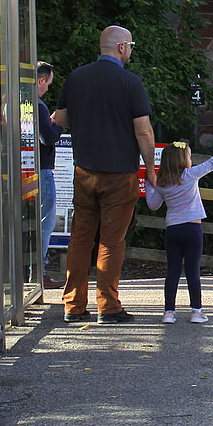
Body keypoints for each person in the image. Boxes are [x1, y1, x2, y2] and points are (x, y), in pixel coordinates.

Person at [51, 26, 155, 325]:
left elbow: (61, 119)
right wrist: (149, 168)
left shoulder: (76, 78)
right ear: (122, 47)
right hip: (120, 173)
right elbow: (143, 130)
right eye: (131, 45)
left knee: (81, 238)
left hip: (84, 171)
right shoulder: (130, 82)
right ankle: (108, 307)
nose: (131, 50)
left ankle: (73, 305)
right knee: (111, 242)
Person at [145, 135, 213, 323]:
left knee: (172, 271)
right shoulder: (190, 175)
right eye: (189, 156)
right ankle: (196, 312)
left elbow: (153, 205)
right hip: (192, 230)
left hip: (173, 230)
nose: (191, 160)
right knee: (192, 271)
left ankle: (168, 313)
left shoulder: (161, 182)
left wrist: (148, 183)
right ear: (184, 160)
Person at [35, 61, 64, 289]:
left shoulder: (15, 103)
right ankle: (40, 270)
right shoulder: (39, 106)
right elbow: (49, 138)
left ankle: (32, 268)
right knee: (46, 221)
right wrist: (58, 124)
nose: (47, 89)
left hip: (27, 169)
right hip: (42, 169)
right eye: (47, 84)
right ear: (41, 80)